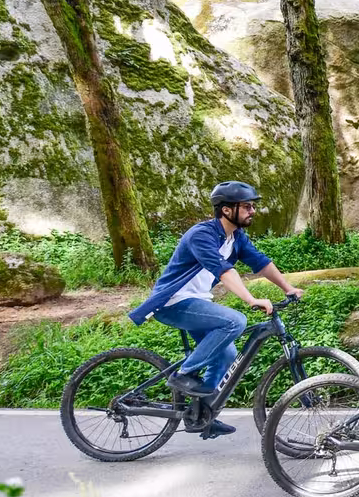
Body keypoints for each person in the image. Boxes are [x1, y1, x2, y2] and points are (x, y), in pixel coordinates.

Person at [127, 181, 303, 439]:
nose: (252, 211)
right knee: (235, 321)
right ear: (226, 210)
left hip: (196, 302)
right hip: (172, 302)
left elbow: (262, 263)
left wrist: (289, 288)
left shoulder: (236, 238)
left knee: (226, 354)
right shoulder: (202, 235)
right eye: (246, 206)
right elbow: (223, 271)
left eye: (253, 206)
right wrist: (250, 299)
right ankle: (184, 374)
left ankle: (202, 414)